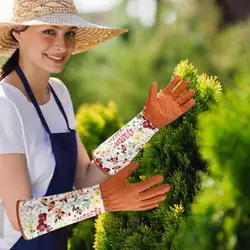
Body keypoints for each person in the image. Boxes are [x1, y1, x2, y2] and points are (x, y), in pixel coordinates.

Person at [0, 0, 196, 249]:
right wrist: (103, 200)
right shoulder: (5, 104)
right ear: (18, 34)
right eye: (49, 31)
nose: (62, 45)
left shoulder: (59, 94)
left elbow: (85, 178)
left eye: (69, 33)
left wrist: (146, 124)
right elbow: (21, 218)